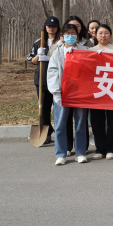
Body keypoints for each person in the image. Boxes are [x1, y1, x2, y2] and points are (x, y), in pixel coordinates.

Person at [47, 23, 90, 165]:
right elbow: (52, 72)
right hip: (63, 92)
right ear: (62, 36)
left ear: (77, 36)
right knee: (60, 124)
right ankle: (61, 153)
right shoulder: (57, 53)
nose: (70, 36)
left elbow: (93, 67)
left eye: (73, 34)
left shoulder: (85, 50)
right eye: (67, 34)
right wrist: (56, 93)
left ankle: (80, 152)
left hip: (80, 93)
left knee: (80, 123)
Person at [89, 24, 113, 160]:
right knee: (97, 120)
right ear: (95, 35)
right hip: (97, 90)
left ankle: (111, 148)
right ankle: (100, 148)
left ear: (111, 35)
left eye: (106, 33)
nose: (103, 36)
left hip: (112, 89)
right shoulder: (90, 50)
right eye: (100, 33)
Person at [27, 16, 61, 144]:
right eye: (49, 26)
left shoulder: (61, 41)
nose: (51, 28)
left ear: (57, 28)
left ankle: (60, 132)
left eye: (54, 26)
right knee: (44, 108)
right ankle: (46, 133)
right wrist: (38, 56)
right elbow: (32, 60)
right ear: (45, 27)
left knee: (59, 108)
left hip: (58, 80)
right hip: (42, 80)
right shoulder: (39, 42)